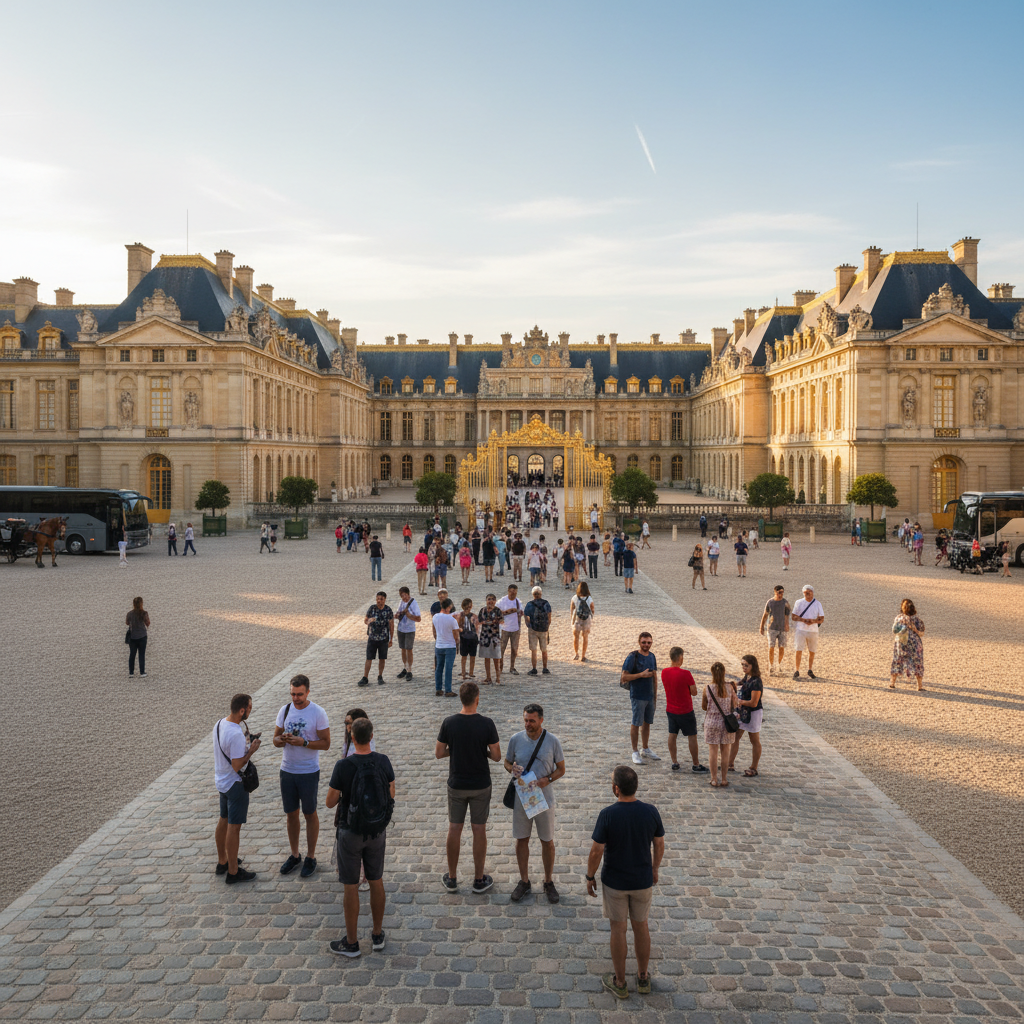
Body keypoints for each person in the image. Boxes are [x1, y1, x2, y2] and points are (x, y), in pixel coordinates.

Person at [586, 765, 664, 999]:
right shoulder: (650, 811)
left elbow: (596, 851)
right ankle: (642, 977)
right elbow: (659, 844)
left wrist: (590, 876)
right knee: (641, 926)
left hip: (615, 883)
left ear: (616, 789)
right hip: (642, 881)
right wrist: (655, 868)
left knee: (618, 929)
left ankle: (620, 982)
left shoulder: (608, 814)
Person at [326, 715, 395, 957]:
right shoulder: (383, 761)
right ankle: (377, 934)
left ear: (352, 738)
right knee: (376, 880)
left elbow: (329, 802)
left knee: (351, 885)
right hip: (376, 831)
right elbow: (391, 794)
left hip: (350, 831)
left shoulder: (343, 766)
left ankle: (352, 942)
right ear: (372, 736)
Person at [436, 682, 501, 894]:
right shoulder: (487, 723)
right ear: (477, 698)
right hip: (480, 783)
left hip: (457, 783)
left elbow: (439, 752)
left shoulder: (449, 722)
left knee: (454, 828)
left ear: (460, 699)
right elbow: (497, 755)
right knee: (478, 828)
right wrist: (483, 752)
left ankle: (452, 878)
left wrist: (454, 750)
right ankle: (479, 879)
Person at [504, 703, 565, 904]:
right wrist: (511, 768)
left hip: (544, 799)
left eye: (531, 720)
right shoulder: (515, 739)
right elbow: (507, 762)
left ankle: (548, 881)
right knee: (521, 839)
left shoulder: (552, 741)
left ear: (541, 720)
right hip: (522, 797)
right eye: (525, 720)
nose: (527, 724)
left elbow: (561, 769)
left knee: (547, 841)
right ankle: (524, 881)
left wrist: (546, 780)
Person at [273, 674, 331, 878]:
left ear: (308, 692)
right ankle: (295, 854)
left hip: (308, 771)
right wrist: (283, 739)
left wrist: (304, 743)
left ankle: (311, 856)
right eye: (292, 694)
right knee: (291, 814)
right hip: (287, 770)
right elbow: (275, 739)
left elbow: (326, 743)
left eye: (299, 694)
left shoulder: (318, 712)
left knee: (309, 813)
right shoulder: (285, 710)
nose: (295, 698)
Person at [213, 693, 260, 884]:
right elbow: (237, 765)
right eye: (249, 708)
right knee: (234, 827)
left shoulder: (219, 724)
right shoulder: (235, 734)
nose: (250, 710)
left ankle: (222, 861)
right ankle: (233, 872)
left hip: (221, 782)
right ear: (242, 710)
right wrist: (251, 750)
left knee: (223, 820)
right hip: (235, 784)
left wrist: (245, 742)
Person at [661, 646, 707, 773]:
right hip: (685, 710)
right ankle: (696, 764)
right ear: (680, 657)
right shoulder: (686, 674)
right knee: (692, 736)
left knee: (672, 734)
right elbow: (694, 692)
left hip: (670, 709)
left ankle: (674, 761)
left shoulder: (664, 672)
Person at [620, 632, 660, 765]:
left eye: (649, 642)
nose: (646, 645)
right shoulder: (633, 656)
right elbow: (624, 677)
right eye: (644, 642)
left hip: (649, 695)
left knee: (647, 723)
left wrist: (655, 695)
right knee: (636, 723)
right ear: (639, 642)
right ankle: (635, 751)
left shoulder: (652, 656)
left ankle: (645, 748)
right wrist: (640, 675)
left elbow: (654, 676)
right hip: (637, 695)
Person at [701, 661, 737, 787]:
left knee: (713, 752)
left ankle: (714, 779)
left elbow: (704, 707)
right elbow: (734, 705)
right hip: (726, 723)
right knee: (725, 752)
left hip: (711, 722)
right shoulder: (730, 687)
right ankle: (724, 779)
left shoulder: (708, 688)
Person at [729, 655, 764, 777]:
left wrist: (740, 701)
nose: (743, 667)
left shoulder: (756, 681)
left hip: (753, 713)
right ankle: (730, 764)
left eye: (746, 665)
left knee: (754, 740)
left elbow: (754, 702)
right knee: (736, 737)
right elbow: (738, 685)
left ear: (752, 666)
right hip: (743, 712)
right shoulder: (747, 677)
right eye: (742, 664)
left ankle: (754, 767)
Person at [359, 591, 394, 687]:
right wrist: (368, 621)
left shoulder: (388, 610)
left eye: (381, 599)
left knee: (382, 658)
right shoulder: (372, 608)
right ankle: (365, 677)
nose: (379, 601)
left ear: (385, 600)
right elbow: (365, 620)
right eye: (378, 599)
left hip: (383, 638)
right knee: (369, 658)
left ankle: (380, 676)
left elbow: (391, 625)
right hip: (372, 638)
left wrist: (391, 639)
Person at [890, 598, 925, 691]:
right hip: (915, 644)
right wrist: (914, 630)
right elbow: (921, 633)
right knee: (918, 663)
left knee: (897, 661)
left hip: (901, 642)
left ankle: (892, 683)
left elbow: (894, 630)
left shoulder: (898, 618)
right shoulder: (917, 620)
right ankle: (919, 686)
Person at [791, 584, 824, 680]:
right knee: (798, 649)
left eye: (808, 593)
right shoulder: (798, 602)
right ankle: (796, 670)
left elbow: (822, 619)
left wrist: (813, 621)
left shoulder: (818, 604)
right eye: (805, 593)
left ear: (812, 593)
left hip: (813, 631)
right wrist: (804, 620)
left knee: (812, 650)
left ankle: (810, 669)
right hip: (800, 630)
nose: (806, 594)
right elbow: (793, 616)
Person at [759, 584, 791, 675]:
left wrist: (787, 625)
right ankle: (771, 666)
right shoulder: (770, 602)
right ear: (775, 592)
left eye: (782, 592)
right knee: (771, 647)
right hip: (771, 628)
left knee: (781, 647)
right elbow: (765, 615)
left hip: (782, 628)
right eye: (779, 592)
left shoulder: (785, 603)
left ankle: (779, 665)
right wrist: (761, 627)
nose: (781, 594)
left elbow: (787, 615)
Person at [433, 598, 461, 696]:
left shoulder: (435, 617)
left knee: (439, 667)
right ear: (449, 607)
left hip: (439, 645)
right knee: (448, 669)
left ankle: (438, 688)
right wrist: (457, 645)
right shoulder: (452, 620)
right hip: (449, 646)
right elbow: (456, 636)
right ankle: (448, 690)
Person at [521, 585, 551, 676]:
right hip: (544, 629)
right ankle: (545, 668)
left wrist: (529, 626)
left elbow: (526, 617)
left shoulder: (530, 604)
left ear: (533, 594)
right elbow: (549, 617)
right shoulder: (546, 603)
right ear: (541, 593)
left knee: (534, 650)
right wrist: (547, 627)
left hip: (533, 629)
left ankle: (534, 669)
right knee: (544, 650)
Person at [395, 586, 421, 681]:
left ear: (408, 594)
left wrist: (409, 615)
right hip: (401, 628)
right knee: (403, 649)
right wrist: (397, 615)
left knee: (409, 649)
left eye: (405, 595)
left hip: (410, 629)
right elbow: (398, 612)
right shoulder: (401, 602)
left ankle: (410, 670)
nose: (403, 597)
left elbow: (418, 618)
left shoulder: (413, 603)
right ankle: (405, 667)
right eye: (402, 596)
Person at [477, 593, 503, 685]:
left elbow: (502, 621)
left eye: (492, 599)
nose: (490, 601)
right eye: (489, 599)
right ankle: (488, 677)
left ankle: (498, 678)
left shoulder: (498, 611)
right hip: (485, 637)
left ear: (495, 601)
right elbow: (479, 621)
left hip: (494, 637)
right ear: (486, 600)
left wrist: (495, 622)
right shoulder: (482, 610)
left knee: (496, 658)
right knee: (486, 658)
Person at [498, 584, 524, 675]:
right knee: (502, 649)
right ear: (508, 591)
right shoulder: (502, 601)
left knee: (514, 649)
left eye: (515, 593)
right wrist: (508, 612)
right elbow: (496, 612)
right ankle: (500, 666)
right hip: (504, 628)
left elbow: (522, 613)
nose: (513, 594)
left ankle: (512, 667)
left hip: (515, 629)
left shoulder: (518, 602)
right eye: (512, 592)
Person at [569, 581, 595, 662]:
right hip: (586, 620)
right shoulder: (589, 598)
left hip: (577, 619)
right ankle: (583, 656)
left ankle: (576, 654)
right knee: (585, 637)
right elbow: (592, 609)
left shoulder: (574, 598)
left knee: (576, 637)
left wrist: (572, 618)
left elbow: (572, 608)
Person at [126, 596, 150, 677]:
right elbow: (148, 623)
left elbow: (127, 623)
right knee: (141, 654)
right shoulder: (144, 613)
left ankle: (131, 673)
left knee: (132, 654)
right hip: (142, 636)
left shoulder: (129, 614)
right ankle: (142, 672)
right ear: (141, 604)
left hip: (133, 636)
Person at [458, 597, 479, 680]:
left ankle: (471, 672)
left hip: (473, 638)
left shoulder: (474, 616)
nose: (468, 608)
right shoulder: (460, 616)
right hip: (464, 637)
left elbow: (477, 627)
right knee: (464, 656)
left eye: (470, 606)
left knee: (473, 655)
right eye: (467, 606)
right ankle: (463, 672)